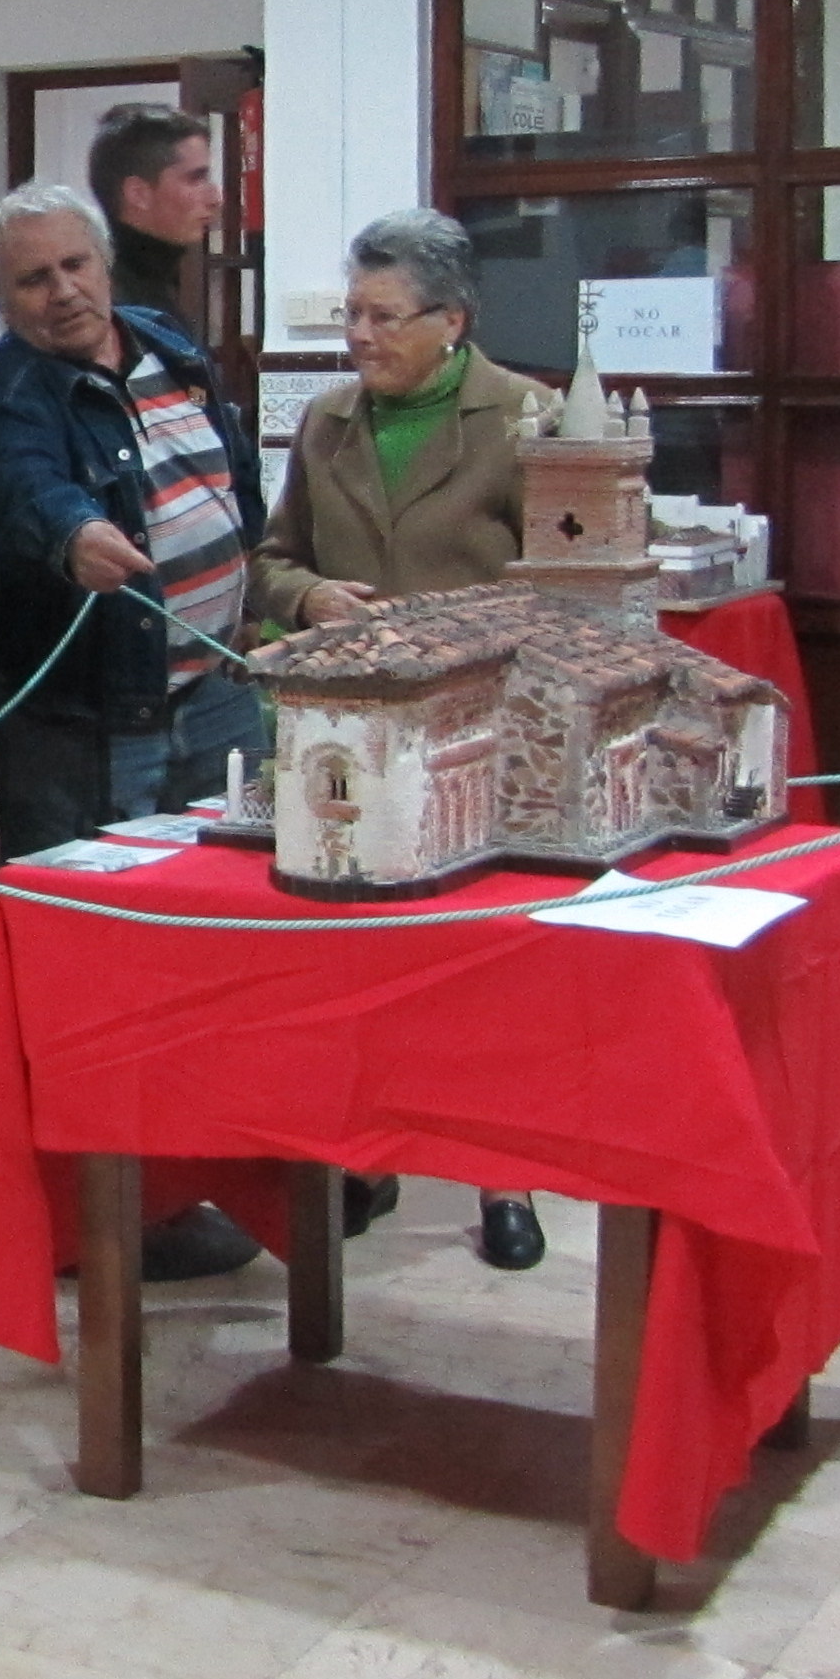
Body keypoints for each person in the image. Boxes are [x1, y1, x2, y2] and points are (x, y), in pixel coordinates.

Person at [244, 208, 558, 1269]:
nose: (359, 336)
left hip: (482, 730)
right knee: (357, 960)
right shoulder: (326, 421)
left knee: (487, 970)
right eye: (352, 314)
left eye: (384, 317)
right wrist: (309, 597)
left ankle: (504, 1175)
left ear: (451, 321)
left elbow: (569, 582)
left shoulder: (526, 419)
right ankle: (361, 1156)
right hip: (350, 737)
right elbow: (271, 561)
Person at [0, 181, 270, 1281]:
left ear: (104, 263)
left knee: (220, 953)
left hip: (216, 699)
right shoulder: (17, 397)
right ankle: (94, 1221)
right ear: (2, 303)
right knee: (90, 980)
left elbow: (234, 483)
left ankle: (218, 1168)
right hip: (98, 724)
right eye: (32, 280)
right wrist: (74, 536)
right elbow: (24, 491)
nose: (61, 293)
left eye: (74, 266)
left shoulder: (167, 345)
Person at [84, 103, 219, 331]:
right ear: (138, 194)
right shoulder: (107, 302)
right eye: (195, 179)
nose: (215, 198)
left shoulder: (155, 282)